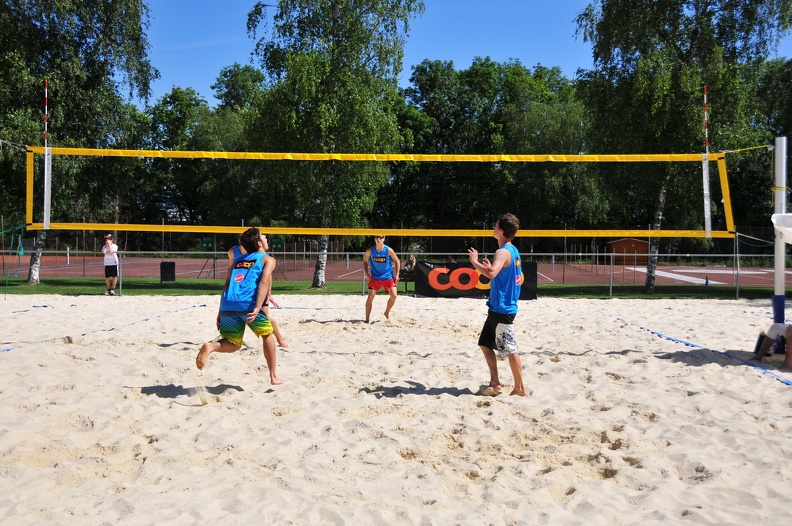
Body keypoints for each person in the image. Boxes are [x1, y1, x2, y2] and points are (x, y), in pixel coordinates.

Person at [195, 227, 282, 385]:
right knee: (267, 334)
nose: (266, 238)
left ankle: (210, 346)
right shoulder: (267, 259)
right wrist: (257, 307)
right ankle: (273, 376)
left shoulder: (238, 260)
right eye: (264, 237)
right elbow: (263, 283)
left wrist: (220, 311)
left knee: (233, 344)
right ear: (258, 243)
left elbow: (227, 284)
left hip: (229, 303)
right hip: (248, 304)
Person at [467, 213, 526, 397]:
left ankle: (520, 389)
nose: (493, 227)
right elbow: (499, 272)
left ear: (501, 230)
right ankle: (495, 382)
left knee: (510, 349)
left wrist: (475, 262)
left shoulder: (502, 251)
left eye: (495, 225)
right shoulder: (512, 250)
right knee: (485, 343)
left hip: (502, 309)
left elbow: (491, 273)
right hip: (497, 307)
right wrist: (488, 265)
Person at [234, 241, 288, 348]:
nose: (266, 239)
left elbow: (267, 277)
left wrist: (268, 293)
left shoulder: (262, 255)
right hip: (245, 292)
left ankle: (280, 340)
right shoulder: (235, 251)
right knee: (240, 316)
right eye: (264, 237)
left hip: (258, 292)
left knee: (265, 319)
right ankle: (232, 340)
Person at [363, 235, 400, 323]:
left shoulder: (388, 250)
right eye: (377, 237)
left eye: (381, 237)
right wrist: (367, 273)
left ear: (384, 239)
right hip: (375, 277)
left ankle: (386, 312)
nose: (379, 239)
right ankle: (367, 319)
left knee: (394, 296)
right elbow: (365, 261)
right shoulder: (370, 250)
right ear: (374, 239)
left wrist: (397, 274)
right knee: (370, 297)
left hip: (388, 277)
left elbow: (397, 260)